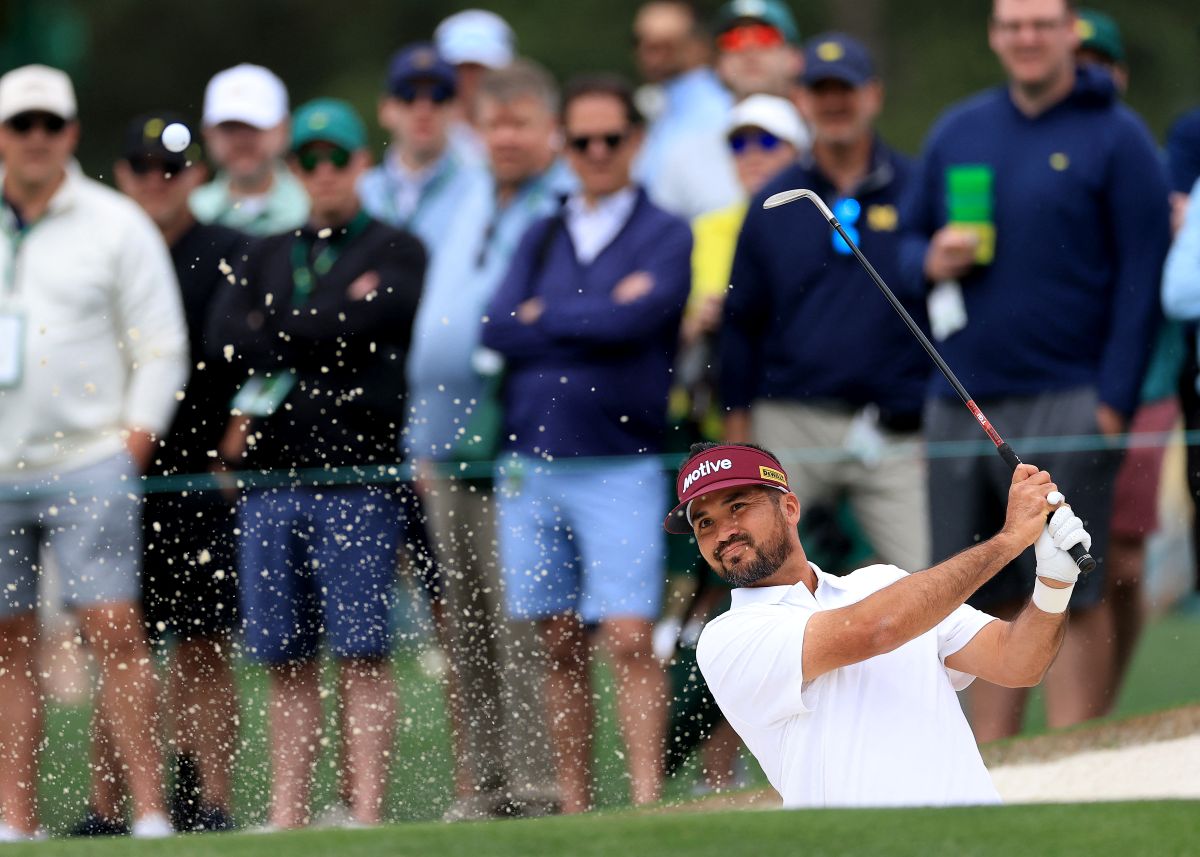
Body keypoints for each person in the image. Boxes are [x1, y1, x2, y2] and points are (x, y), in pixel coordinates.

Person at [901, 0, 1171, 740]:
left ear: (1066, 34)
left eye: (1041, 23)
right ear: (994, 35)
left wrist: (1112, 400)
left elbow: (1143, 278)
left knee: (1068, 581)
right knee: (976, 585)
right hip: (961, 398)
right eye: (1012, 24)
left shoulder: (1117, 137)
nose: (1026, 37)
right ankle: (988, 767)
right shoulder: (959, 129)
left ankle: (1068, 764)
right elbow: (904, 247)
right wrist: (927, 257)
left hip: (1071, 396)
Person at [207, 98, 425, 829]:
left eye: (338, 157)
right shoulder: (267, 250)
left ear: (362, 161)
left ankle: (362, 810)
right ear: (294, 168)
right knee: (283, 658)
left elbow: (376, 320)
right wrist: (327, 319)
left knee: (362, 651)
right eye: (311, 160)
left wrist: (286, 325)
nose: (325, 171)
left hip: (358, 476)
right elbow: (229, 336)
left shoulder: (396, 246)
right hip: (272, 481)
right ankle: (288, 812)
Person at [481, 74, 691, 813]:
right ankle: (575, 806)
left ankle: (643, 802)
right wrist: (597, 309)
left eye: (610, 139)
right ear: (563, 146)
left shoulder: (665, 230)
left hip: (620, 461)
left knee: (631, 637)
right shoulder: (543, 229)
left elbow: (637, 322)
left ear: (634, 141)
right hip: (532, 461)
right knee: (559, 641)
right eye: (582, 140)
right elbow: (496, 324)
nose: (596, 152)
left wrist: (551, 316)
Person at [668, 442, 1090, 807]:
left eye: (738, 506)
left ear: (790, 507)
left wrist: (1054, 581)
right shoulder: (726, 637)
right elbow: (876, 630)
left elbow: (1017, 661)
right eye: (704, 523)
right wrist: (1009, 540)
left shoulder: (883, 583)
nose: (723, 532)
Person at [0, 64, 186, 840]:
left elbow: (162, 346)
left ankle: (146, 810)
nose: (36, 139)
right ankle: (16, 818)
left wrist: (130, 444)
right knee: (8, 646)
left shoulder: (115, 222)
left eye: (50, 125)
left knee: (115, 632)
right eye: (21, 125)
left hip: (90, 459)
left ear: (71, 133)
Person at [405, 59, 570, 820]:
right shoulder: (469, 193)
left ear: (550, 131)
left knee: (518, 621)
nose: (506, 137)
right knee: (466, 623)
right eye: (495, 123)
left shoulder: (563, 202)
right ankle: (488, 782)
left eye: (521, 123)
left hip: (516, 441)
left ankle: (536, 785)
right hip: (444, 442)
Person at [722, 33, 930, 573]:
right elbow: (741, 322)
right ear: (801, 98)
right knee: (760, 574)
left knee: (929, 582)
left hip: (895, 427)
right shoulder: (773, 199)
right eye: (821, 90)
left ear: (874, 95)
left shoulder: (916, 187)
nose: (834, 103)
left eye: (847, 89)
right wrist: (737, 434)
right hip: (790, 417)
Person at [113, 114, 245, 832]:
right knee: (117, 640)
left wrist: (233, 446)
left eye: (170, 169)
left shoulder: (231, 251)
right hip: (113, 472)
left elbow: (257, 357)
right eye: (142, 169)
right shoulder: (105, 249)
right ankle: (116, 803)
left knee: (201, 642)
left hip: (199, 474)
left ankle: (212, 797)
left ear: (195, 173)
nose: (156, 182)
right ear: (122, 174)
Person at [1074, 10, 1183, 706]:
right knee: (1080, 553)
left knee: (1124, 556)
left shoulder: (1142, 153)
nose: (1084, 71)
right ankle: (1082, 709)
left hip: (1148, 380)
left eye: (1097, 60)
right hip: (1066, 383)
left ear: (1119, 73)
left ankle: (1103, 707)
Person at [653, 0, 808, 220]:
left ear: (796, 58)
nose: (749, 49)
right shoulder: (683, 157)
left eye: (765, 36)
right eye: (733, 40)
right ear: (718, 65)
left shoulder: (826, 145)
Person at [360, 43, 491, 245]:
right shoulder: (361, 194)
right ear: (385, 109)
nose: (424, 110)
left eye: (438, 96)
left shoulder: (482, 191)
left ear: (456, 110)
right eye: (408, 94)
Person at [631, 0, 736, 217]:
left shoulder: (718, 115)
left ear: (700, 45)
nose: (650, 55)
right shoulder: (659, 109)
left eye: (666, 45)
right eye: (641, 42)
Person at [190, 64, 308, 236]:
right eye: (228, 128)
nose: (241, 140)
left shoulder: (316, 208)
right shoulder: (189, 214)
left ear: (283, 129)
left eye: (254, 127)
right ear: (208, 134)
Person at [434, 8, 517, 159]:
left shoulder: (537, 133)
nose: (471, 78)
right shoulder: (430, 134)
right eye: (461, 69)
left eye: (481, 69)